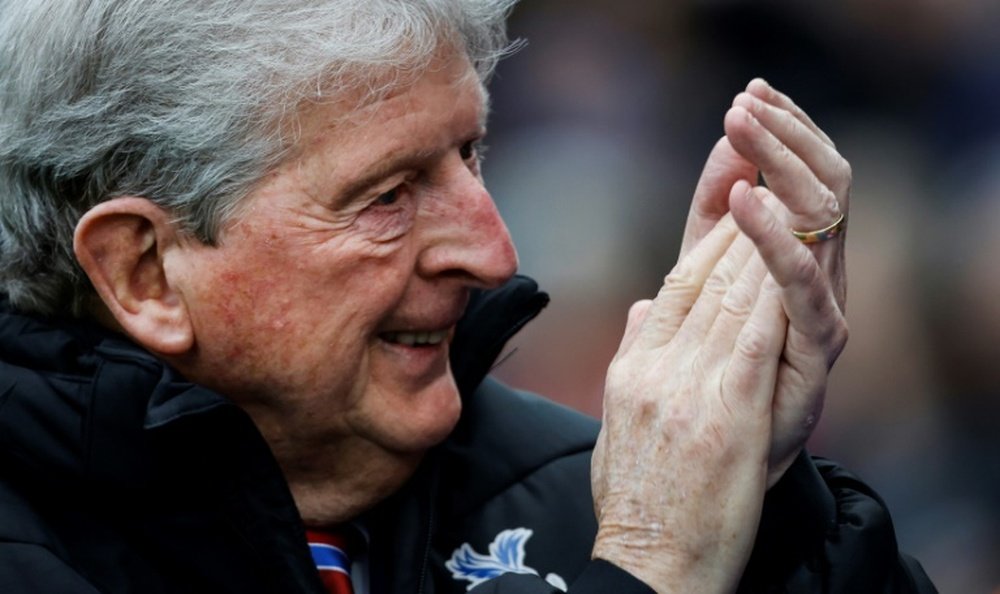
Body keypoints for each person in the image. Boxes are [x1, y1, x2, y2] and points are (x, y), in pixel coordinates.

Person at [0, 1, 935, 593]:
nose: (495, 254)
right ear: (143, 272)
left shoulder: (580, 474)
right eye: (387, 197)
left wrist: (768, 511)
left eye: (469, 154)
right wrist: (656, 570)